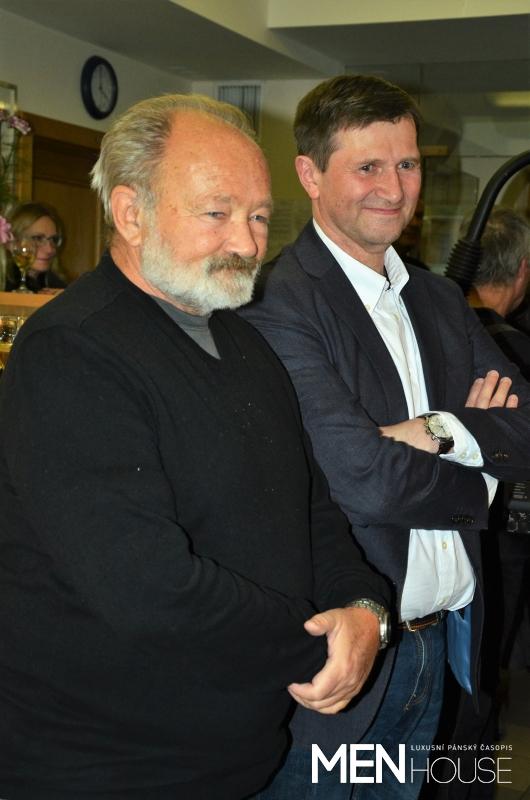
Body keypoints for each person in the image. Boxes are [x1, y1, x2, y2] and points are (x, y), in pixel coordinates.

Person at [0, 93, 391, 799]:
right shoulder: (72, 351)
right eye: (217, 213)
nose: (247, 243)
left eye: (260, 217)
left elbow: (309, 508)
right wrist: (320, 641)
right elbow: (145, 585)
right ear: (131, 212)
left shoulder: (244, 341)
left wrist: (363, 607)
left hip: (240, 750)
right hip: (104, 767)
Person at [241, 74, 530, 799]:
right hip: (347, 661)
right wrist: (481, 472)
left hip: (443, 644)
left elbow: (526, 427)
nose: (394, 189)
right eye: (367, 166)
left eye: (407, 164)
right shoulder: (277, 302)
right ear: (310, 174)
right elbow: (360, 478)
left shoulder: (438, 296)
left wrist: (434, 429)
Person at [5, 201, 66, 292]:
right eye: (38, 238)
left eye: (53, 239)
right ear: (11, 242)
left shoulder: (59, 288)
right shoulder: (4, 288)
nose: (49, 250)